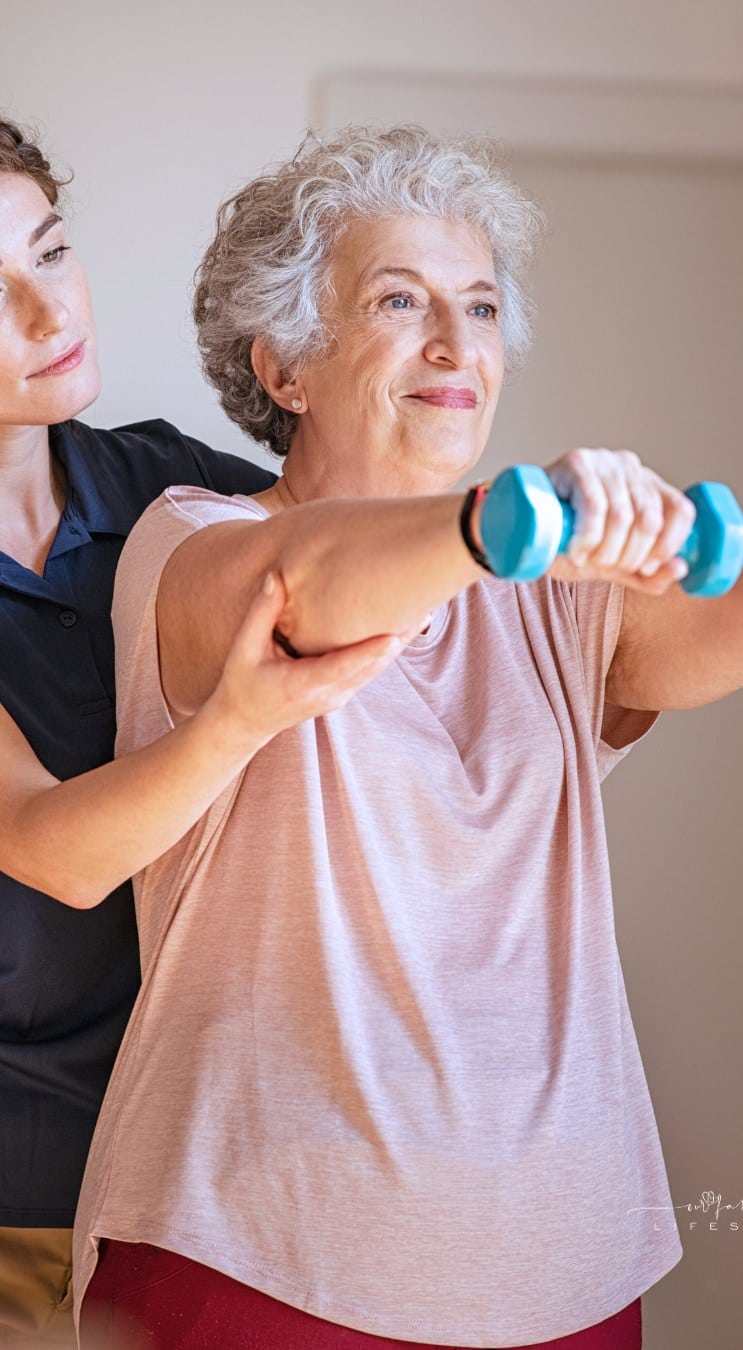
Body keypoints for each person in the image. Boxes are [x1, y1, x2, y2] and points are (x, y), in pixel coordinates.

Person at [72, 125, 743, 1349]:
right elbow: (308, 589)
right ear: (285, 367)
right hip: (254, 1261)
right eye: (400, 302)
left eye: (481, 306)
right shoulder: (192, 540)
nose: (458, 345)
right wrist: (520, 522)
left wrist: (540, 538)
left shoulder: (555, 591)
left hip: (564, 1271)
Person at [0, 120, 403, 1348]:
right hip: (22, 1204)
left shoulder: (170, 491)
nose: (43, 308)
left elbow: (353, 569)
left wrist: (624, 637)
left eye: (50, 248)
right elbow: (57, 849)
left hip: (205, 1194)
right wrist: (238, 719)